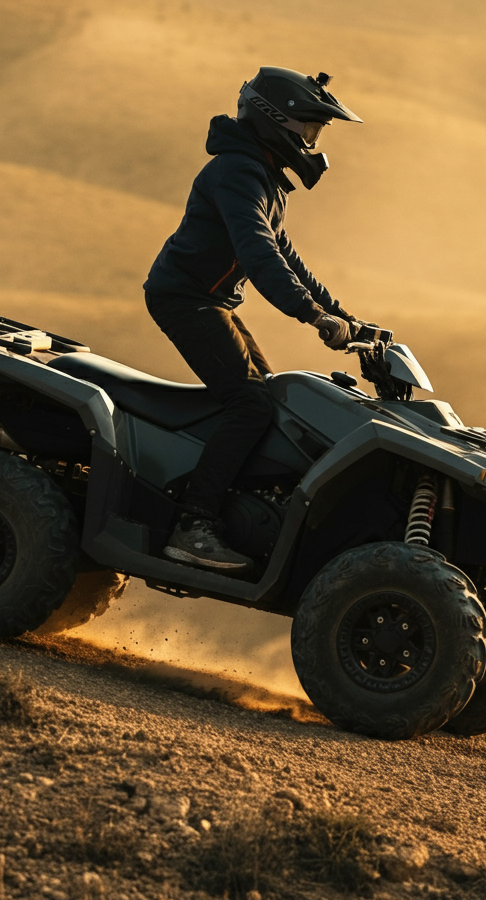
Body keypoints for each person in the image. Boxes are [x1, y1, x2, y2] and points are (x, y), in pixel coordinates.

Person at [144, 66, 366, 573]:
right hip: (186, 298)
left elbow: (288, 255)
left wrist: (343, 315)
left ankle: (232, 509)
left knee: (269, 395)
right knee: (249, 403)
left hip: (210, 300)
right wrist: (313, 317)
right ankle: (193, 524)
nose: (312, 142)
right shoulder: (237, 172)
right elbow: (260, 254)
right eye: (309, 129)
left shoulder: (261, 173)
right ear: (277, 122)